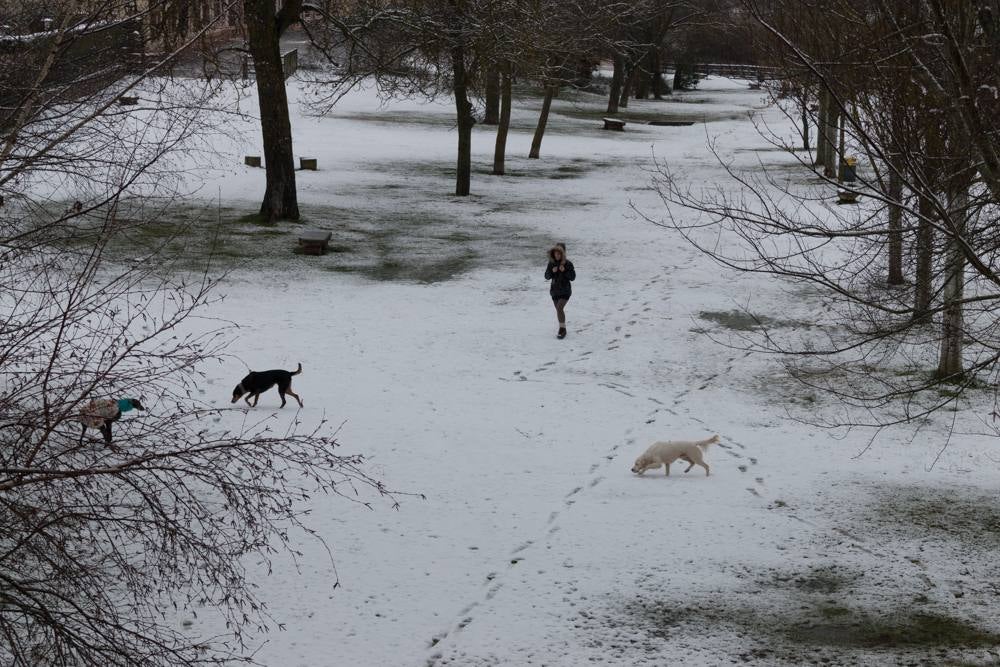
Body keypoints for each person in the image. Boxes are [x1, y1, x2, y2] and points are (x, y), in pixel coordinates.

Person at [544, 243, 575, 339]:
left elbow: (573, 277)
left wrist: (565, 271)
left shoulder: (568, 264)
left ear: (563, 253)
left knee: (559, 308)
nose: (557, 255)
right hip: (555, 291)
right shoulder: (551, 263)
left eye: (559, 253)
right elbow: (546, 276)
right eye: (556, 253)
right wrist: (551, 271)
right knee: (558, 309)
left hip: (565, 290)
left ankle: (562, 329)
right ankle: (562, 328)